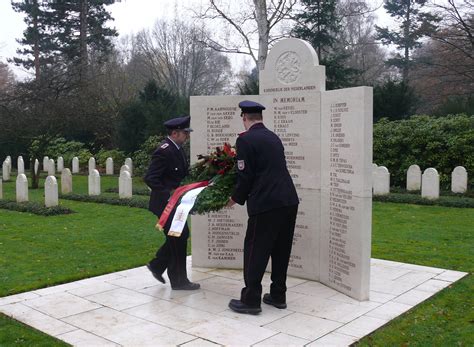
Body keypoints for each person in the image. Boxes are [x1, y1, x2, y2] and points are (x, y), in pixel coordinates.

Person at [227, 100, 299, 314]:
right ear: (260, 117)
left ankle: (250, 300)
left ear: (244, 118)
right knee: (281, 249)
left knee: (255, 250)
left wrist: (234, 198)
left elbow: (245, 176)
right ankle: (278, 294)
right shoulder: (273, 137)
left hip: (266, 203)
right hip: (288, 200)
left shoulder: (245, 140)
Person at [144, 115, 200, 291]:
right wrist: (168, 195)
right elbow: (150, 178)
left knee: (178, 236)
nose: (187, 136)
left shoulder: (177, 148)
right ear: (175, 133)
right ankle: (178, 280)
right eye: (185, 133)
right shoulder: (164, 150)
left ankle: (157, 265)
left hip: (176, 204)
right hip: (165, 204)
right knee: (178, 237)